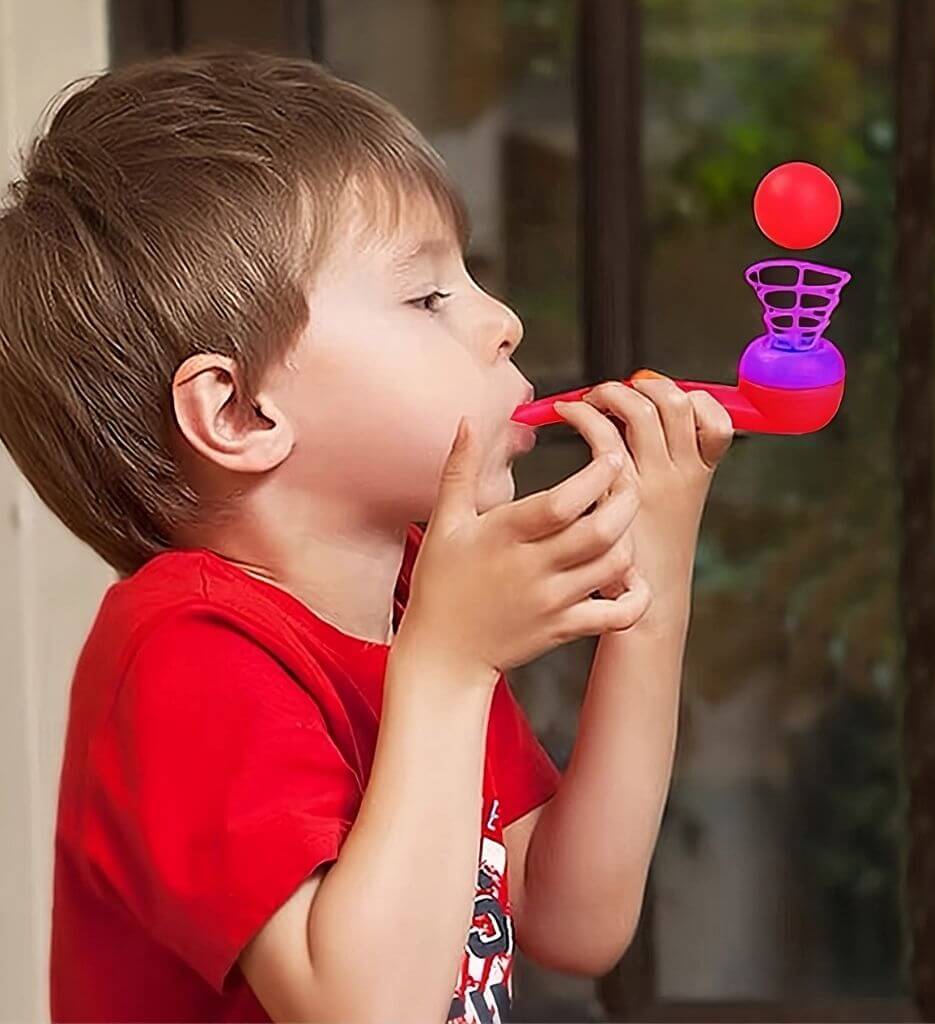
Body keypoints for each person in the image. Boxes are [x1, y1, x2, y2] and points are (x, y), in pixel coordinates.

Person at [0, 49, 732, 1024]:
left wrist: (650, 596)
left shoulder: (414, 610)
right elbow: (366, 1009)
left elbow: (568, 913)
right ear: (242, 411)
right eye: (428, 296)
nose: (503, 322)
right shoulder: (184, 655)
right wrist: (453, 662)